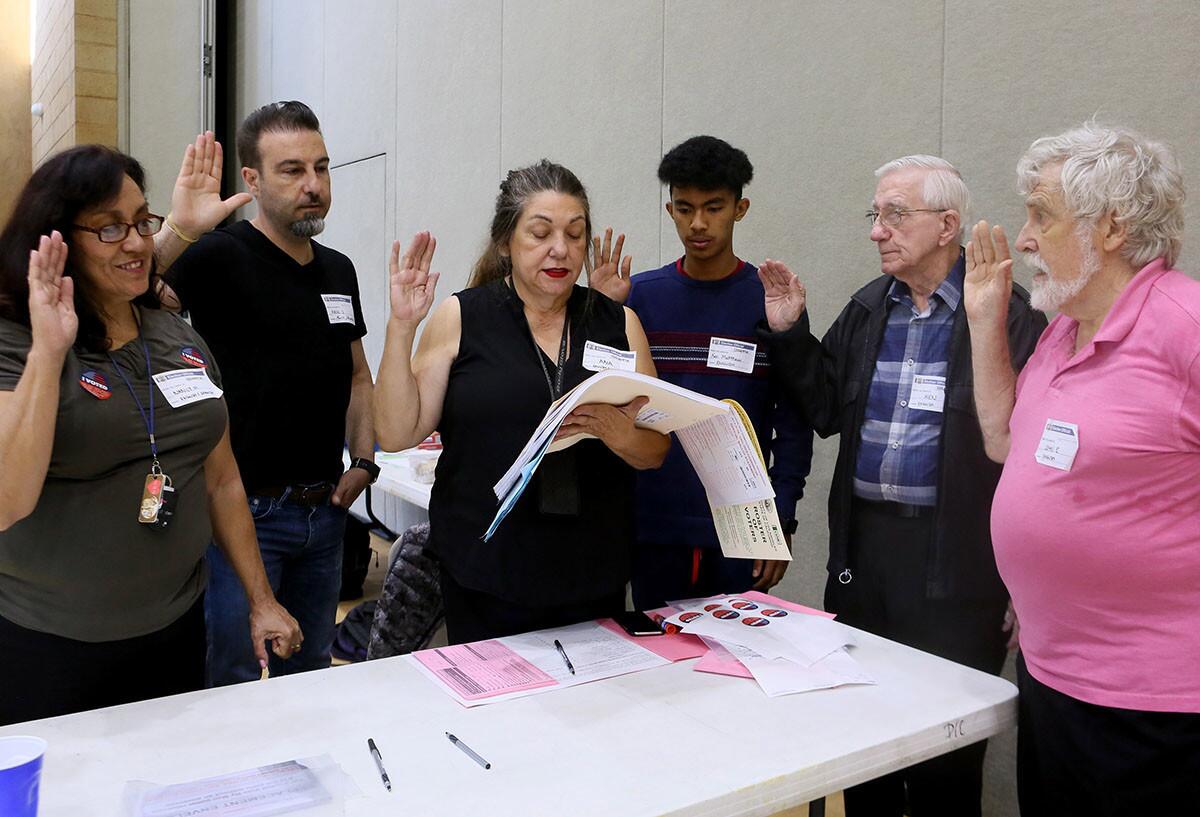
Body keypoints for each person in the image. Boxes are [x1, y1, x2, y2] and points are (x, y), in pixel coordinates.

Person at [756, 155, 1046, 817]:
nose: (876, 231)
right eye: (874, 215)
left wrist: (1023, 583)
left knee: (947, 757)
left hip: (958, 565)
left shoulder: (1005, 314)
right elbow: (825, 409)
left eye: (894, 215)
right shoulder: (868, 309)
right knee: (866, 747)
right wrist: (790, 332)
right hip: (867, 557)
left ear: (948, 226)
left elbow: (1031, 459)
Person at [0, 142, 300, 725]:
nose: (136, 242)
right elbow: (7, 499)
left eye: (142, 222)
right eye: (110, 229)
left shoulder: (173, 335)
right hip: (49, 643)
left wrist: (261, 600)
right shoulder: (15, 340)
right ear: (55, 238)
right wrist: (49, 351)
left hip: (175, 629)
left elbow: (222, 482)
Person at [964, 123, 1200, 815]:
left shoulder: (1185, 325)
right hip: (1052, 680)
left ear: (1111, 228)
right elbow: (1005, 439)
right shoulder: (1063, 328)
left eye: (1042, 214)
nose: (1025, 235)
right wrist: (983, 320)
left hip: (1155, 711)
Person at [374, 160, 670, 644]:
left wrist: (618, 433)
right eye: (541, 233)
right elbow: (396, 431)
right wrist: (401, 327)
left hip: (591, 570)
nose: (561, 249)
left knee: (585, 713)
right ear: (506, 242)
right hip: (485, 569)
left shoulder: (618, 324)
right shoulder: (462, 316)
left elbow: (656, 450)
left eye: (576, 234)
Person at [159, 101, 378, 685]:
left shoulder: (339, 270)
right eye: (292, 171)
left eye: (322, 168)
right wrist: (178, 232)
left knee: (309, 674)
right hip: (242, 517)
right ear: (251, 181)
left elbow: (357, 374)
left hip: (325, 513)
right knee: (228, 677)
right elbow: (123, 304)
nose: (314, 186)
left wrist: (364, 460)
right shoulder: (217, 256)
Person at [593, 135, 812, 609]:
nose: (698, 223)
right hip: (651, 524)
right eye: (684, 207)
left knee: (732, 670)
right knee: (657, 663)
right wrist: (600, 314)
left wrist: (782, 518)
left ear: (740, 207)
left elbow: (793, 425)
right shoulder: (640, 297)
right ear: (669, 209)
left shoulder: (769, 301)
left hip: (741, 528)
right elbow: (598, 400)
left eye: (713, 207)